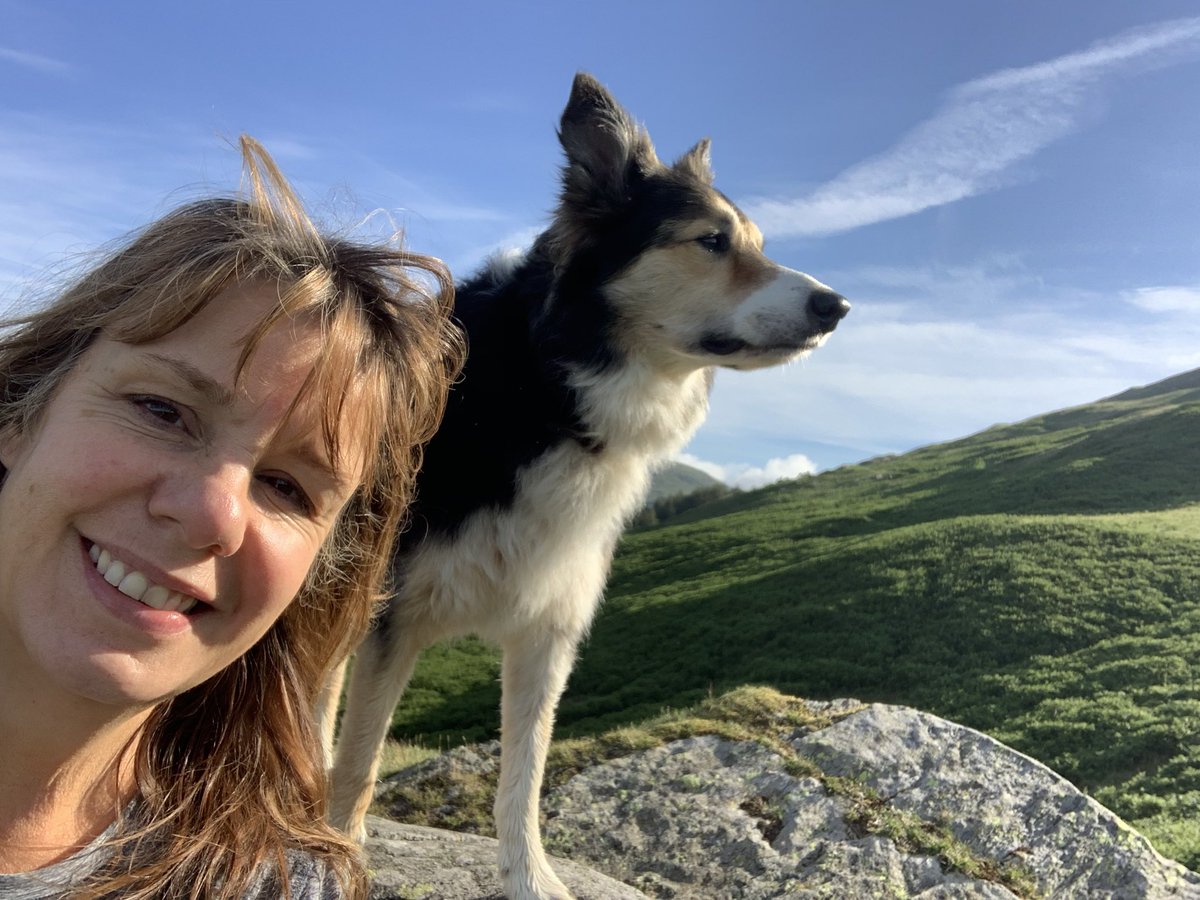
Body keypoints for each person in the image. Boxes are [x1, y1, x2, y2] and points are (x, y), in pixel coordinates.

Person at [0, 137, 464, 898]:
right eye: (162, 410)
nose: (212, 513)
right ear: (24, 411)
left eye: (286, 487)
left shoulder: (278, 886)